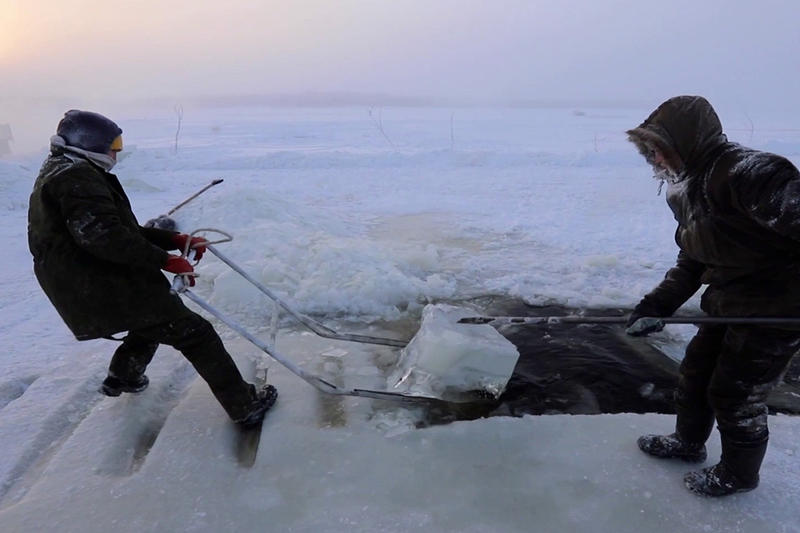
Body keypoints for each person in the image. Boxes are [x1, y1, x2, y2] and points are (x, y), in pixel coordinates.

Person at [28, 110, 277, 428]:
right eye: (112, 145)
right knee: (195, 333)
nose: (116, 152)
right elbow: (103, 237)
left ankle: (123, 376)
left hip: (90, 277)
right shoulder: (76, 178)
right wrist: (165, 259)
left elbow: (118, 230)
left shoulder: (66, 169)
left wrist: (175, 240)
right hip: (96, 281)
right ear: (87, 143)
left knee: (151, 320)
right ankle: (244, 406)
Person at [624, 95, 800, 496]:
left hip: (779, 307)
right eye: (649, 150)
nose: (654, 158)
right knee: (696, 374)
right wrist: (656, 305)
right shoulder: (683, 189)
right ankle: (688, 443)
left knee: (736, 394)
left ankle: (738, 475)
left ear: (686, 140)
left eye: (659, 147)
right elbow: (693, 258)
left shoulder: (750, 173)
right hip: (729, 302)